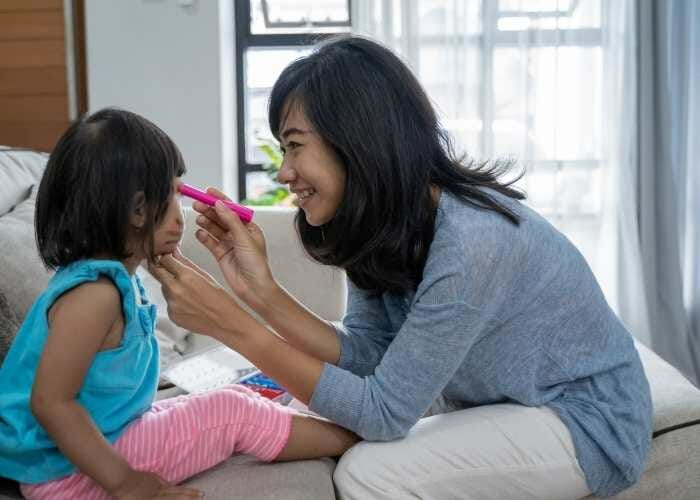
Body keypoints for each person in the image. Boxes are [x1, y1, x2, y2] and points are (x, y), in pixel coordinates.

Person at [149, 36, 653, 499]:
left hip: (586, 421)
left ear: (358, 139)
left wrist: (235, 327)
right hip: (506, 400)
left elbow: (383, 414)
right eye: (283, 149)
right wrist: (261, 295)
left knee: (369, 472)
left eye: (295, 145)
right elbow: (370, 354)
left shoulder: (472, 243)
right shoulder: (379, 223)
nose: (284, 172)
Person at [0, 109, 358, 500]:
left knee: (240, 395)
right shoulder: (94, 295)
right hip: (65, 473)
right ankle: (356, 437)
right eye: (174, 195)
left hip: (100, 437)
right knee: (231, 413)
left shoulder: (113, 277)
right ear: (139, 210)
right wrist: (127, 483)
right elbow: (51, 404)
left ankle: (338, 428)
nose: (181, 213)